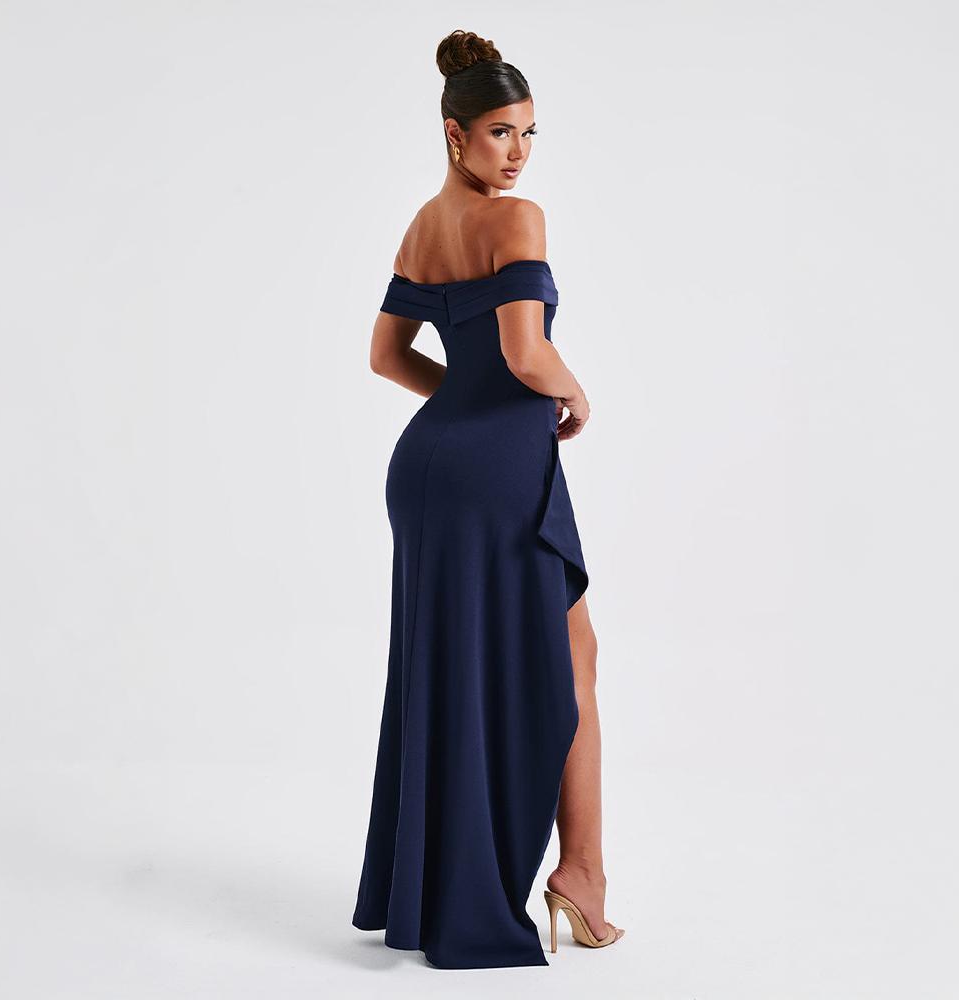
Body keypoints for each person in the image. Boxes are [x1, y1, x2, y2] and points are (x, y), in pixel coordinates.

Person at [351, 29, 624, 969]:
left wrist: (464, 410)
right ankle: (581, 876)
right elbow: (524, 351)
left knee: (468, 666)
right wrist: (571, 393)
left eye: (530, 133)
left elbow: (387, 358)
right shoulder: (519, 221)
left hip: (430, 467)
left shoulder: (422, 228)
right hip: (497, 473)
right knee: (568, 659)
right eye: (502, 132)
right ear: (455, 133)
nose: (519, 153)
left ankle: (511, 879)